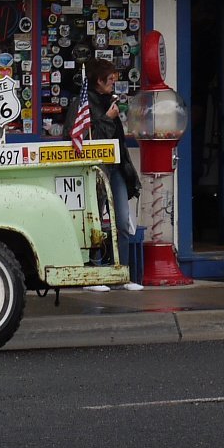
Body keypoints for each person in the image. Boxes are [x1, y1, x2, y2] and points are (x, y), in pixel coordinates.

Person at [87, 58, 144, 290]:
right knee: (95, 221)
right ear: (98, 81)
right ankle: (95, 272)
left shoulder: (111, 101)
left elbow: (117, 138)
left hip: (117, 166)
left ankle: (122, 274)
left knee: (121, 220)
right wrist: (107, 118)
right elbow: (88, 137)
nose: (113, 83)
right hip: (98, 168)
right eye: (110, 79)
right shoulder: (85, 103)